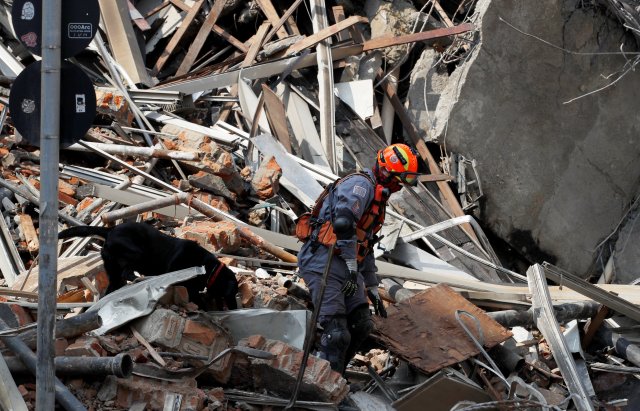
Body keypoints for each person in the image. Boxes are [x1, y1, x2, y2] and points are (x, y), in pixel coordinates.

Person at [297, 143, 420, 373]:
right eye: (400, 180)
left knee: (362, 325)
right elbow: (343, 225)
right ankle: (323, 385)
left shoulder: (377, 197)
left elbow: (366, 243)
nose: (400, 187)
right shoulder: (360, 186)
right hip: (324, 261)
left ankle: (336, 377)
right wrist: (353, 267)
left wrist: (372, 285)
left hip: (346, 266)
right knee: (336, 334)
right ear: (387, 172)